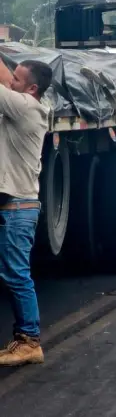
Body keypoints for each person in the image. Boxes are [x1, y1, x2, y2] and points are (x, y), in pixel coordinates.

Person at [0, 56, 53, 366]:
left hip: (18, 208)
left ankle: (30, 341)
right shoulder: (22, 106)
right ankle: (22, 338)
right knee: (13, 273)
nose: (11, 83)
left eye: (17, 81)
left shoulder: (26, 107)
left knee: (16, 275)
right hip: (14, 205)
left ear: (32, 88)